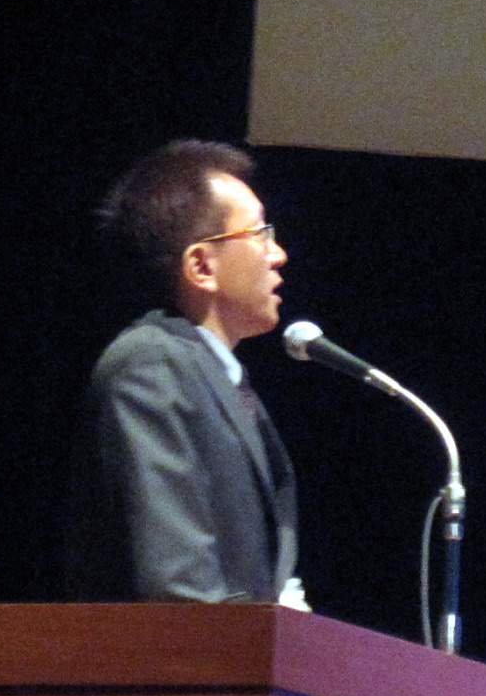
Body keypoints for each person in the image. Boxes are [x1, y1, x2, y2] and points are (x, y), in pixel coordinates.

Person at [64, 140, 307, 608]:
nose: (278, 254)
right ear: (201, 265)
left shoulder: (213, 373)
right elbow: (176, 584)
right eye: (260, 233)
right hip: (181, 654)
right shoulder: (149, 365)